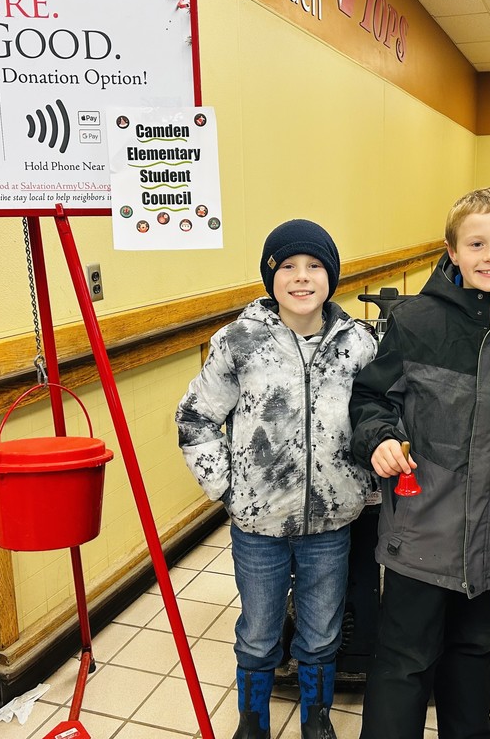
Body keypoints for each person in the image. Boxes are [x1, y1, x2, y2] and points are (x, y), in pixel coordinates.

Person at [350, 187, 490, 739]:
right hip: (421, 524)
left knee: (473, 649)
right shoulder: (415, 321)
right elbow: (371, 398)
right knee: (405, 656)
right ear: (452, 251)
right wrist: (378, 437)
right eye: (476, 243)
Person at [176, 218, 377, 739]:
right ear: (271, 277)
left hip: (332, 522)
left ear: (331, 276)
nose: (302, 277)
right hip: (258, 524)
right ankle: (253, 722)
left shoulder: (358, 343)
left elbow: (381, 416)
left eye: (314, 266)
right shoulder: (238, 342)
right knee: (260, 633)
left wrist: (364, 487)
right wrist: (228, 488)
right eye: (287, 266)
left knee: (321, 633)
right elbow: (195, 419)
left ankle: (317, 719)